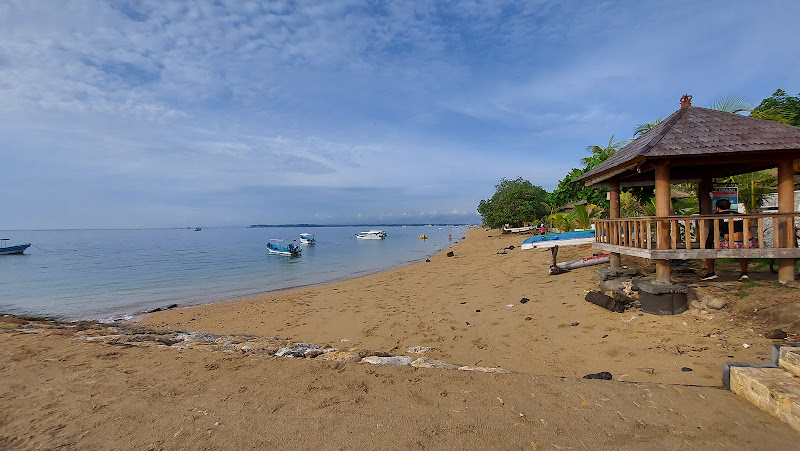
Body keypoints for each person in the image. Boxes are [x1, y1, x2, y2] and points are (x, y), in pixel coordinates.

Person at [700, 198, 749, 281]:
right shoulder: (739, 216)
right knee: (741, 248)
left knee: (710, 247)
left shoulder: (717, 217)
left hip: (729, 244)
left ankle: (711, 272)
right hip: (745, 243)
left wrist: (707, 245)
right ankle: (744, 272)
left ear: (717, 208)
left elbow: (712, 233)